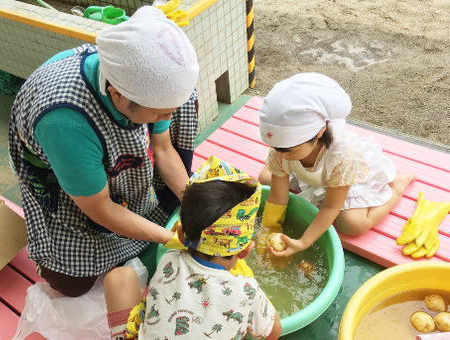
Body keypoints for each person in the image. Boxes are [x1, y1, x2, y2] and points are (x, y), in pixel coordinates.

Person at [8, 6, 199, 297]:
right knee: (72, 286)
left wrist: (195, 203)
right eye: (161, 114)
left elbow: (162, 148)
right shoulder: (65, 122)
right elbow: (101, 209)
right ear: (118, 95)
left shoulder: (146, 83)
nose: (166, 119)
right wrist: (172, 239)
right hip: (65, 171)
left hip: (99, 151)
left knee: (171, 207)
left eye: (169, 112)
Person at [104, 156, 282, 339]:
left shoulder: (169, 259)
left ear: (180, 235)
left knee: (119, 277)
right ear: (245, 251)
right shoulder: (246, 290)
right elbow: (274, 332)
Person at [258, 72, 416, 257]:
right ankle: (297, 173)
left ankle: (397, 187)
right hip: (311, 171)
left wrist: (303, 242)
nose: (278, 154)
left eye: (288, 150)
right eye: (275, 147)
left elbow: (331, 207)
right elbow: (277, 197)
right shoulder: (284, 149)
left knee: (351, 224)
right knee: (266, 178)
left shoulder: (342, 157)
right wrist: (268, 231)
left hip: (345, 177)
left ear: (319, 133)